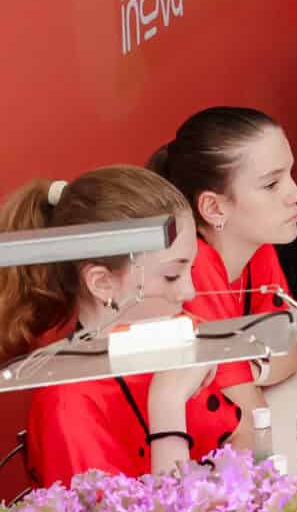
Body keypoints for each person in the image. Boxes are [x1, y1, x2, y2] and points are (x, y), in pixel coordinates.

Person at [0, 167, 225, 484]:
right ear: (102, 283)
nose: (189, 292)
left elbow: (242, 442)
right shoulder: (68, 407)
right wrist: (167, 406)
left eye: (192, 269)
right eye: (172, 275)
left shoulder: (169, 338)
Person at [155, 108, 297, 433]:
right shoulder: (192, 271)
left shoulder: (258, 246)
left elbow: (293, 347)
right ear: (214, 208)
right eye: (272, 184)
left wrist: (246, 369)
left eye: (290, 175)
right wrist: (253, 368)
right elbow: (251, 421)